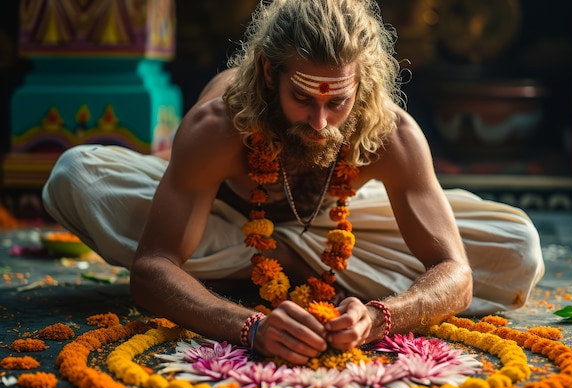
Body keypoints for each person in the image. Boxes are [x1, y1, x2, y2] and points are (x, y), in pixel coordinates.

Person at [42, 0, 544, 365]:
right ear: (268, 73)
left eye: (338, 102)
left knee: (518, 248)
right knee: (76, 176)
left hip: (343, 231)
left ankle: (273, 272)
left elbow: (454, 271)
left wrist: (380, 316)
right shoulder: (219, 125)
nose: (321, 122)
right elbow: (152, 267)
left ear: (363, 81)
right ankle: (261, 275)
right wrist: (250, 326)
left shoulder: (391, 132)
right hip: (224, 226)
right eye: (304, 98)